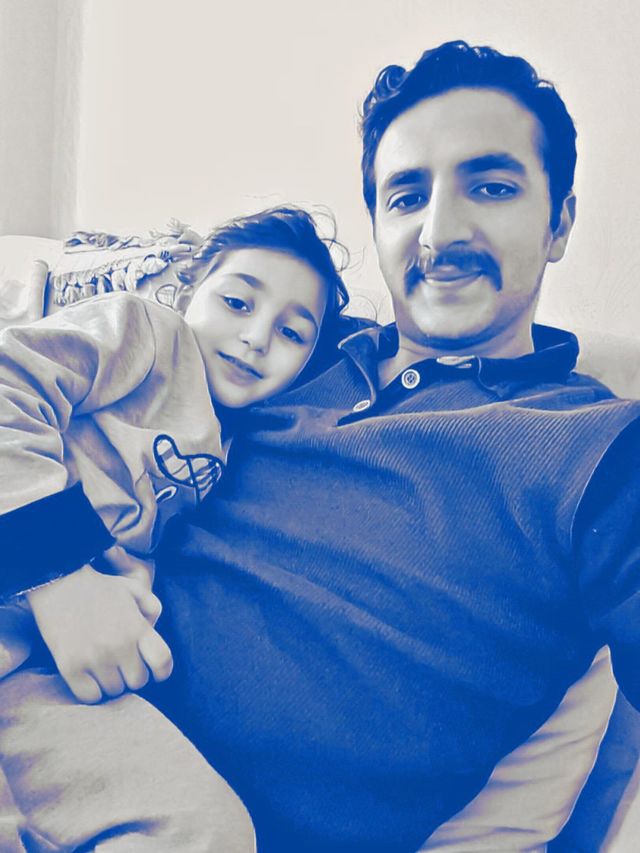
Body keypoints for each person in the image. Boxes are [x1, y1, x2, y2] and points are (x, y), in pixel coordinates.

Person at [1, 40, 639, 853]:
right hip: (39, 681)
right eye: (406, 196)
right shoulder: (287, 361)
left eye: (491, 186)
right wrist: (57, 570)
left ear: (559, 223)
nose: (439, 232)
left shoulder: (599, 449)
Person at [0, 205, 349, 705]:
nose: (256, 339)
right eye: (237, 302)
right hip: (32, 553)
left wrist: (137, 578)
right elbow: (9, 383)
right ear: (187, 296)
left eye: (292, 333)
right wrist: (61, 573)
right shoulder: (148, 331)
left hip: (34, 632)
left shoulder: (240, 442)